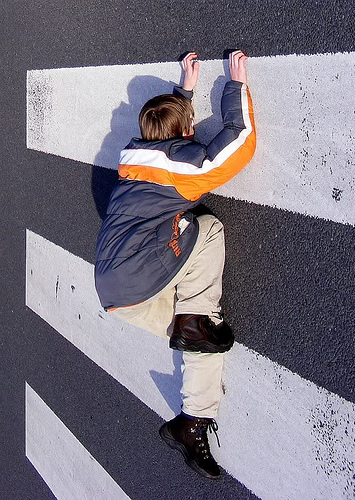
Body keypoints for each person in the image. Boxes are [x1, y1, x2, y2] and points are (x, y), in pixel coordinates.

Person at [94, 50, 256, 479]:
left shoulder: (132, 160)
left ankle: (192, 423)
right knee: (209, 229)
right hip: (138, 276)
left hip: (116, 293)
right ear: (184, 132)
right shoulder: (185, 168)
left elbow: (165, 136)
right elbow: (238, 142)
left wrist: (183, 89)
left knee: (199, 333)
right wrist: (235, 86)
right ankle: (195, 341)